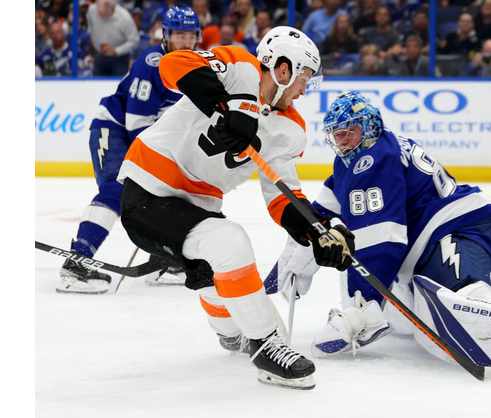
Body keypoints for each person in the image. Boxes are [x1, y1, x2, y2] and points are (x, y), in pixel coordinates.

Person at [269, 91, 491, 383]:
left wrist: (362, 309)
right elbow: (317, 217)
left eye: (349, 133)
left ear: (368, 127)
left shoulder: (374, 159)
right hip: (425, 244)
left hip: (453, 231)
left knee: (460, 304)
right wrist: (293, 257)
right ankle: (376, 309)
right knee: (427, 334)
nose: (342, 143)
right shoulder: (352, 161)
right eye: (337, 136)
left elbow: (382, 241)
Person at [115, 26, 355, 390]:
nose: (306, 89)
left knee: (214, 267)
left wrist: (319, 229)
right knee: (229, 241)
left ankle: (231, 334)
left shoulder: (290, 128)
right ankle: (264, 346)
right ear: (283, 69)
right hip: (148, 191)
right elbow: (174, 63)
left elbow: (282, 197)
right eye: (305, 77)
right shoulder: (240, 67)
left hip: (197, 210)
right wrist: (221, 105)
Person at [56, 7, 203, 294]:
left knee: (169, 194)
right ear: (166, 35)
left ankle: (164, 259)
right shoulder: (151, 63)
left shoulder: (200, 64)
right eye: (179, 35)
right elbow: (136, 124)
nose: (185, 42)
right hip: (113, 129)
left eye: (190, 36)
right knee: (116, 189)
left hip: (147, 137)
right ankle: (77, 262)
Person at [87, 0, 140, 76]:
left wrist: (116, 50)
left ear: (111, 9)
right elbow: (90, 23)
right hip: (99, 56)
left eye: (103, 15)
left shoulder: (124, 18)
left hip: (119, 60)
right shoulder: (92, 11)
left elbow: (134, 40)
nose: (100, 17)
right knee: (96, 86)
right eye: (99, 14)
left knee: (118, 86)